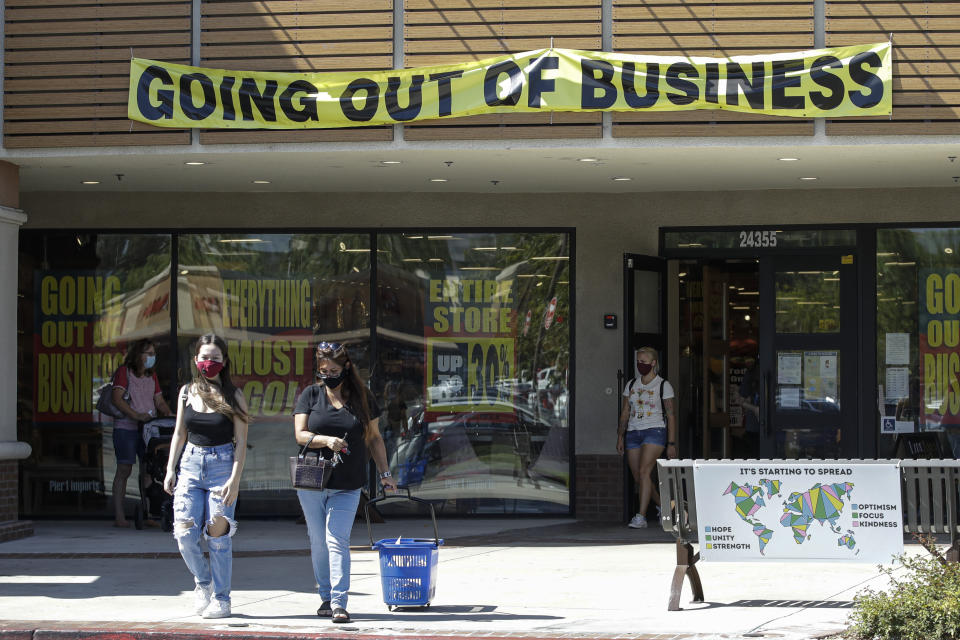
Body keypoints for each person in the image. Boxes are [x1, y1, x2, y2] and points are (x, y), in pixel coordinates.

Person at [294, 341, 397, 624]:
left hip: (348, 483)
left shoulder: (362, 397)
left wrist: (386, 474)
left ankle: (339, 602)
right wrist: (327, 440)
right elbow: (300, 434)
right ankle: (325, 595)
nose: (328, 375)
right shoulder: (310, 395)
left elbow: (374, 438)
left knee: (337, 539)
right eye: (323, 370)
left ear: (346, 367)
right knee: (318, 541)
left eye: (334, 369)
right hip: (312, 482)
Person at [163, 334, 249, 619]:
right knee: (184, 533)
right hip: (189, 465)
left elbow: (241, 443)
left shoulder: (234, 396)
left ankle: (222, 600)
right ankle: (203, 582)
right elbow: (179, 433)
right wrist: (169, 469)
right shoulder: (186, 392)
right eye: (204, 357)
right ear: (195, 360)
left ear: (224, 362)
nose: (208, 363)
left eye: (215, 358)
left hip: (222, 466)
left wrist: (234, 480)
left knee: (218, 536)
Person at [110, 338, 173, 528]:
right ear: (139, 355)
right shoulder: (124, 373)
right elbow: (117, 399)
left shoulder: (151, 376)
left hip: (148, 429)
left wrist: (170, 415)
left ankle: (148, 512)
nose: (153, 357)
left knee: (148, 471)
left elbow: (159, 401)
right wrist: (136, 415)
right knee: (124, 469)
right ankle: (119, 515)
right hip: (126, 428)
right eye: (149, 354)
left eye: (154, 354)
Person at [616, 346, 677, 529]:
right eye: (638, 362)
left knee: (644, 472)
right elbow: (625, 412)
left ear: (653, 363)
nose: (640, 365)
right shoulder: (631, 384)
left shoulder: (663, 385)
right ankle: (664, 506)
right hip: (633, 432)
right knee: (639, 477)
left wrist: (671, 443)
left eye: (643, 362)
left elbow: (671, 415)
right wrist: (620, 436)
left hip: (655, 431)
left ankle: (640, 517)